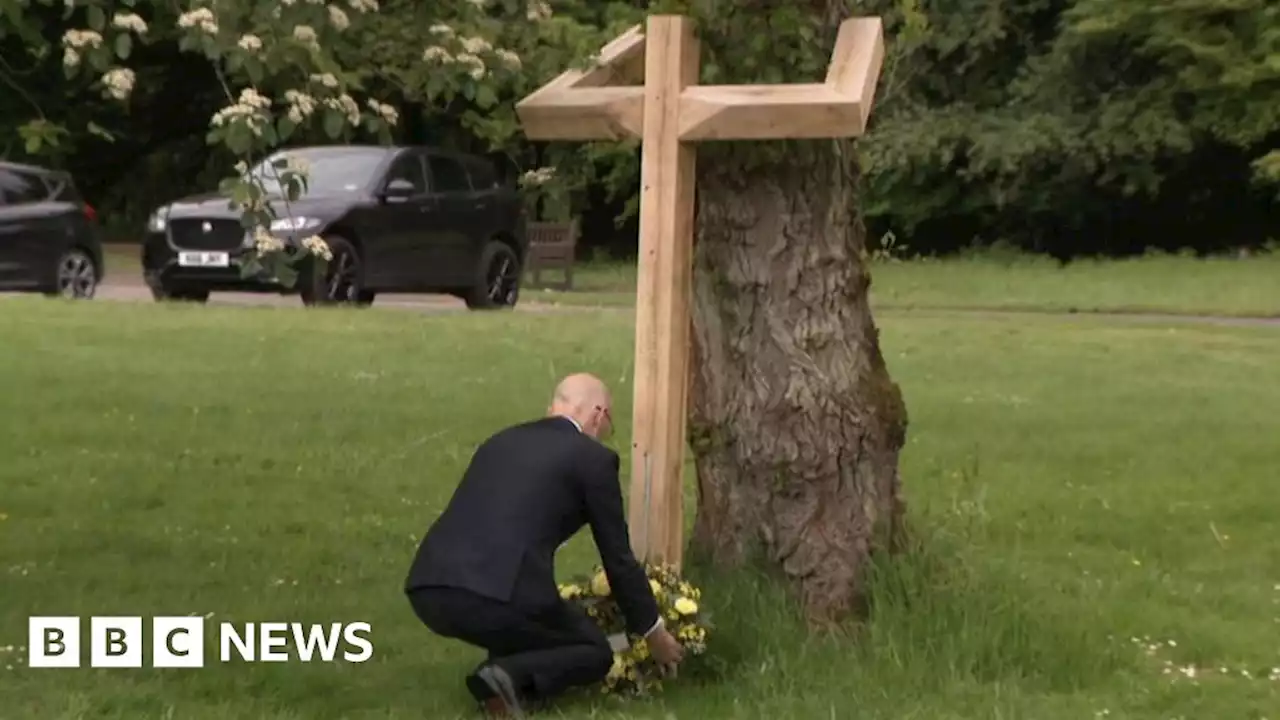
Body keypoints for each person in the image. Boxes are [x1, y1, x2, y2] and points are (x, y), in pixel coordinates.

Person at [404, 373, 685, 718]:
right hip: (496, 595)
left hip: (429, 588)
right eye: (608, 423)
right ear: (599, 415)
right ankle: (504, 677)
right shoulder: (593, 459)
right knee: (593, 649)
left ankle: (509, 691)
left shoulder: (500, 441)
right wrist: (653, 632)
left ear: (551, 407)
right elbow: (618, 560)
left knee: (527, 625)